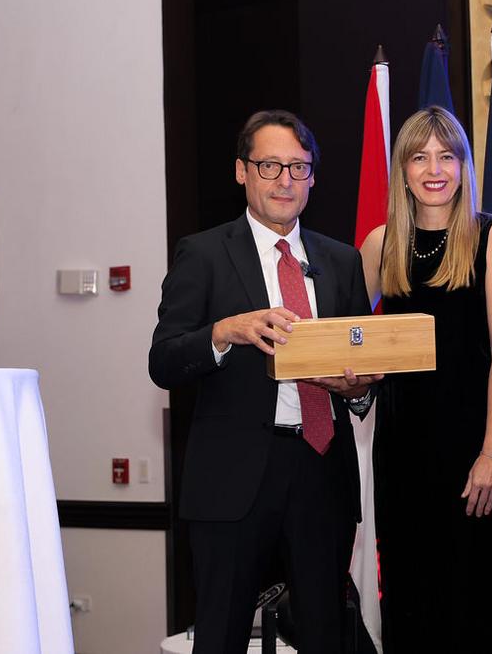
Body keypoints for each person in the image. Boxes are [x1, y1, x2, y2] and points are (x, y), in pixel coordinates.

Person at [149, 110, 382, 654]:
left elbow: (366, 370)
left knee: (325, 635)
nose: (284, 180)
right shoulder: (204, 254)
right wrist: (224, 332)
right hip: (233, 479)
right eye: (269, 165)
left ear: (313, 178)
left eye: (298, 167)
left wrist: (358, 390)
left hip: (321, 473)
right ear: (242, 171)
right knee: (222, 637)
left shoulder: (342, 260)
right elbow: (164, 361)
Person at [358, 106, 492, 652]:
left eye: (446, 156)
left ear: (463, 165)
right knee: (410, 603)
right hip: (402, 454)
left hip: (474, 454)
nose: (434, 169)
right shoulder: (380, 244)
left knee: (473, 606)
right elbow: (347, 338)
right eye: (420, 157)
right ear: (402, 170)